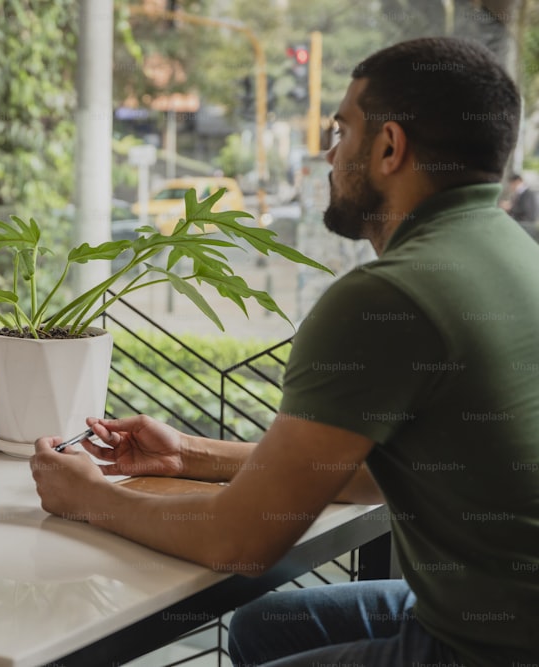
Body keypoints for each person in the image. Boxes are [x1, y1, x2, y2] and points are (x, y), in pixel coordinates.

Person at [31, 37, 538, 666]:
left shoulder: (388, 297)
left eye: (340, 130)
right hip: (495, 610)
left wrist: (88, 498)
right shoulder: (515, 253)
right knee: (267, 625)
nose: (329, 153)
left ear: (388, 148)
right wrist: (187, 454)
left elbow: (240, 541)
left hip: (486, 646)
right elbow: (366, 470)